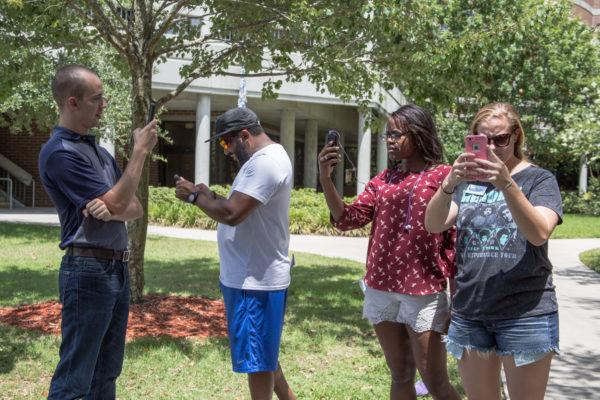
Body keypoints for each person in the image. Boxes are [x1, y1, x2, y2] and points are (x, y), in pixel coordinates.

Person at [318, 104, 460, 400]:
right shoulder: (384, 179)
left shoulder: (444, 177)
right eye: (388, 135)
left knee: (434, 381)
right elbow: (347, 219)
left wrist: (456, 299)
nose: (390, 140)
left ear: (418, 134)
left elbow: (454, 242)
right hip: (381, 287)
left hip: (423, 291)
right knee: (401, 376)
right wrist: (326, 179)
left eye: (396, 134)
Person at [425, 102, 562, 400]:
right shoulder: (466, 181)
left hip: (526, 312)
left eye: (501, 138)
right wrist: (449, 182)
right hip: (471, 310)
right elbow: (434, 224)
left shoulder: (540, 180)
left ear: (516, 136)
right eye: (485, 140)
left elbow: (539, 233)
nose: (495, 146)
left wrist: (506, 183)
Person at [39, 65, 158, 399]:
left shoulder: (99, 153)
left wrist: (114, 206)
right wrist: (139, 152)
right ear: (72, 102)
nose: (104, 104)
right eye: (97, 98)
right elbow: (122, 200)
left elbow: (134, 207)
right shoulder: (60, 154)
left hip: (115, 269)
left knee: (106, 373)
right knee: (75, 379)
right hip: (88, 271)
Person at [174, 107, 296, 400]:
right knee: (263, 351)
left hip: (254, 280)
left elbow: (232, 214)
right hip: (248, 276)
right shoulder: (263, 160)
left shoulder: (265, 163)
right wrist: (207, 195)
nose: (226, 150)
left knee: (258, 362)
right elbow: (237, 204)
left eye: (227, 142)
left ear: (245, 136)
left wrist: (194, 197)